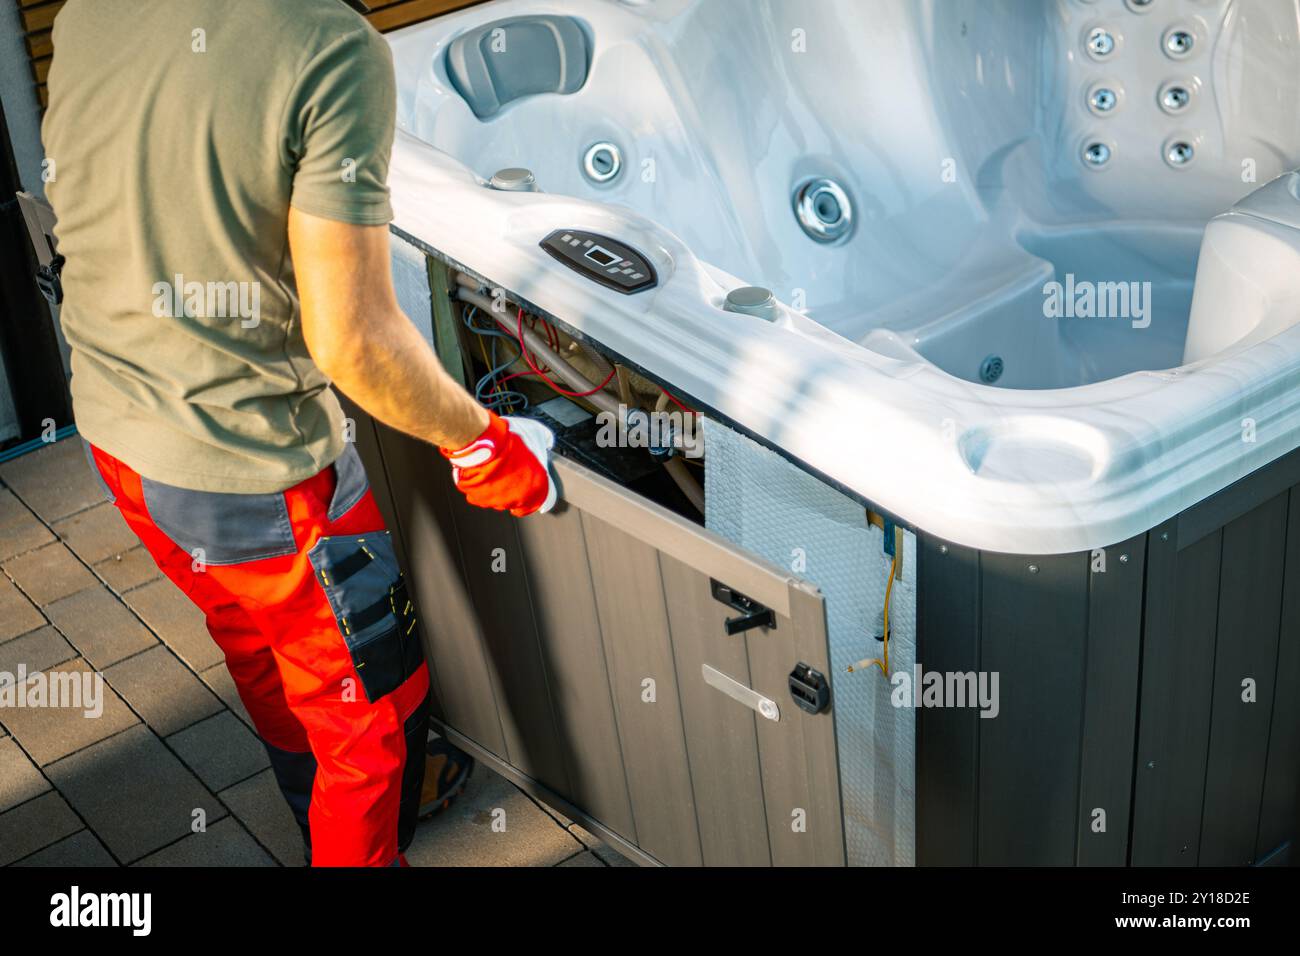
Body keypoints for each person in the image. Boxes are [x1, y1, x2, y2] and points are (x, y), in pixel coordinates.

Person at [41, 0, 555, 867]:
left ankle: (308, 804)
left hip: (118, 429)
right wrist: (484, 443)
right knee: (370, 710)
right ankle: (351, 830)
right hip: (249, 467)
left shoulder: (91, 7)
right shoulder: (327, 47)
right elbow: (354, 341)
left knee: (255, 640)